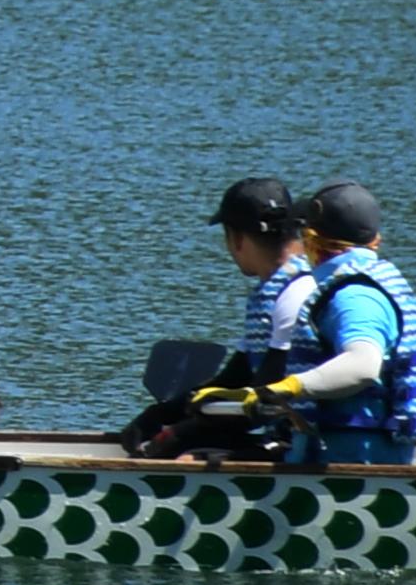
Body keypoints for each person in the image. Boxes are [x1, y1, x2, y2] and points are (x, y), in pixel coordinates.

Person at [212, 180, 416, 466]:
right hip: (345, 449)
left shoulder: (354, 295)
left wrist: (289, 387)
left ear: (313, 239)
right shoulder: (369, 279)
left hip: (354, 458)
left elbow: (363, 366)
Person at [127, 176, 317, 459]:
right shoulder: (278, 288)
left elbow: (265, 394)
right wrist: (159, 415)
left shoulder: (296, 292)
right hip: (283, 433)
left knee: (188, 455)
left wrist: (183, 432)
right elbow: (237, 377)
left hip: (305, 444)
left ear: (237, 238)